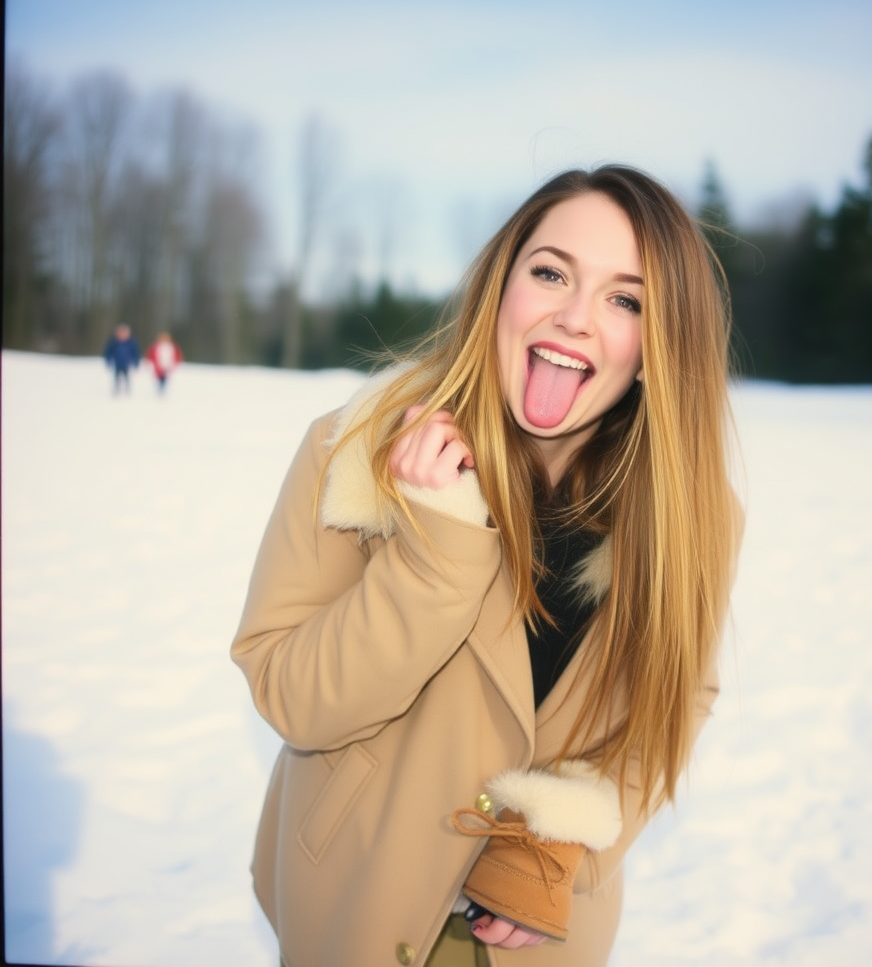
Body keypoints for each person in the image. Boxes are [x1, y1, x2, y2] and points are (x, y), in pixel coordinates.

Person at [231, 165, 744, 967]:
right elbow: (292, 696)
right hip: (356, 903)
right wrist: (434, 559)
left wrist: (562, 845)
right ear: (500, 289)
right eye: (551, 273)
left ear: (657, 346)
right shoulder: (357, 449)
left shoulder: (689, 515)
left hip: (540, 937)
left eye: (625, 300)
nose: (575, 318)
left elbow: (680, 700)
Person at [103, 323, 140, 395]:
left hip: (126, 363)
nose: (122, 334)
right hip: (117, 363)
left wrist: (136, 362)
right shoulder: (113, 342)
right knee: (116, 377)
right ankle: (116, 389)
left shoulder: (131, 342)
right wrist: (108, 361)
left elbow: (135, 353)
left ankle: (127, 390)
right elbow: (108, 352)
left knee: (126, 377)